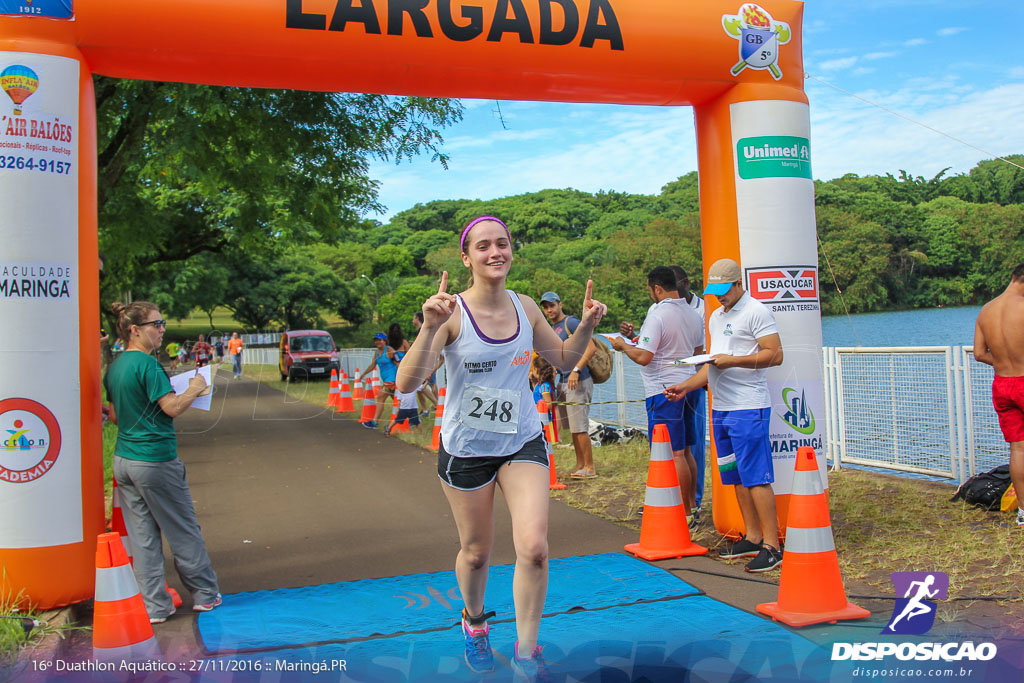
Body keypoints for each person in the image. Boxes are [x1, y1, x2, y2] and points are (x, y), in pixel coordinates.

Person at [395, 216, 606, 679]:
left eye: (503, 244)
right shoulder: (449, 312)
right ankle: (473, 624)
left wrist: (587, 325)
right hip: (467, 448)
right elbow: (406, 385)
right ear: (467, 258)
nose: (496, 252)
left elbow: (565, 358)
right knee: (476, 552)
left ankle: (527, 652)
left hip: (522, 439)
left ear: (512, 251)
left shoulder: (525, 306)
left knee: (533, 547)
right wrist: (429, 328)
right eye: (484, 246)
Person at [103, 301, 221, 623]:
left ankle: (155, 606)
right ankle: (206, 595)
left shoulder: (114, 367)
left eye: (162, 323)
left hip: (124, 460)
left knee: (143, 537)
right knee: (183, 529)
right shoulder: (148, 366)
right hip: (155, 460)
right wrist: (196, 387)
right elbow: (171, 407)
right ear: (135, 330)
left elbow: (114, 415)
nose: (162, 330)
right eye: (157, 324)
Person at [665, 258, 785, 572]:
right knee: (734, 475)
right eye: (715, 291)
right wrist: (685, 387)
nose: (720, 296)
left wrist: (733, 361)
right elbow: (712, 364)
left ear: (738, 283)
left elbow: (775, 354)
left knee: (756, 476)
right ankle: (753, 536)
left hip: (748, 406)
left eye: (724, 290)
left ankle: (773, 545)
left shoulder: (757, 311)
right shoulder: (717, 316)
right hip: (721, 407)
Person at [610, 266, 705, 522]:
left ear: (657, 288)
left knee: (673, 453)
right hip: (689, 386)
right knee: (685, 451)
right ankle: (691, 507)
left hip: (664, 390)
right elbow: (698, 353)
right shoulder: (693, 313)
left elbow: (644, 356)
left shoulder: (658, 314)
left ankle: (683, 513)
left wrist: (622, 345)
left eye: (650, 289)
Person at [973, 262, 1024, 528]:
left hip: (1003, 384)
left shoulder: (987, 310)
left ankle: (1023, 513)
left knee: (1018, 448)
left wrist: (1004, 361)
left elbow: (980, 353)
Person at [540, 291, 599, 479]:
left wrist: (576, 370)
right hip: (564, 381)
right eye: (546, 306)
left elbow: (591, 348)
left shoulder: (570, 322)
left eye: (552, 305)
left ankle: (589, 467)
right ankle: (580, 465)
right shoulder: (553, 327)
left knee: (580, 426)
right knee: (573, 427)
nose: (549, 309)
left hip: (578, 380)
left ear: (560, 304)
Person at [358, 332, 400, 430]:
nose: (377, 342)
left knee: (380, 398)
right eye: (376, 340)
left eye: (380, 340)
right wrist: (363, 374)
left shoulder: (389, 350)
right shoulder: (377, 352)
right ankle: (410, 419)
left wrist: (400, 378)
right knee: (398, 402)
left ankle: (375, 422)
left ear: (384, 341)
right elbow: (373, 365)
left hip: (392, 381)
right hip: (387, 380)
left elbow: (399, 364)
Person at [412, 311, 442, 414]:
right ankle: (426, 409)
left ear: (417, 318)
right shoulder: (421, 331)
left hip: (427, 362)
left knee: (423, 386)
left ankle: (438, 405)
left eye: (413, 318)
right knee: (427, 386)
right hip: (426, 362)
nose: (413, 321)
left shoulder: (423, 330)